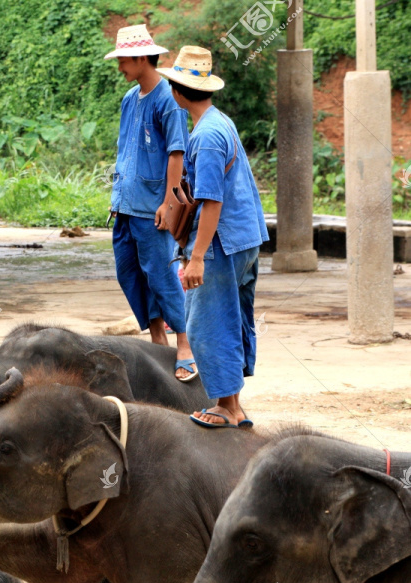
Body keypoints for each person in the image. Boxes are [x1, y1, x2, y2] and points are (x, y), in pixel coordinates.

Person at [157, 46, 269, 428]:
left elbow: (211, 202)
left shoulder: (204, 137)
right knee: (232, 318)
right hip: (245, 239)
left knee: (207, 322)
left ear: (177, 91)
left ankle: (226, 407)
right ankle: (232, 404)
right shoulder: (222, 122)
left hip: (220, 244)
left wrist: (197, 256)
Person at [104, 24, 197, 381]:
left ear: (142, 58)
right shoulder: (130, 99)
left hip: (153, 207)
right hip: (126, 206)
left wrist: (169, 201)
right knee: (130, 273)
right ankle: (157, 336)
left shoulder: (167, 101)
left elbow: (176, 152)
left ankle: (184, 342)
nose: (120, 66)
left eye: (124, 60)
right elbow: (126, 151)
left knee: (161, 274)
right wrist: (118, 197)